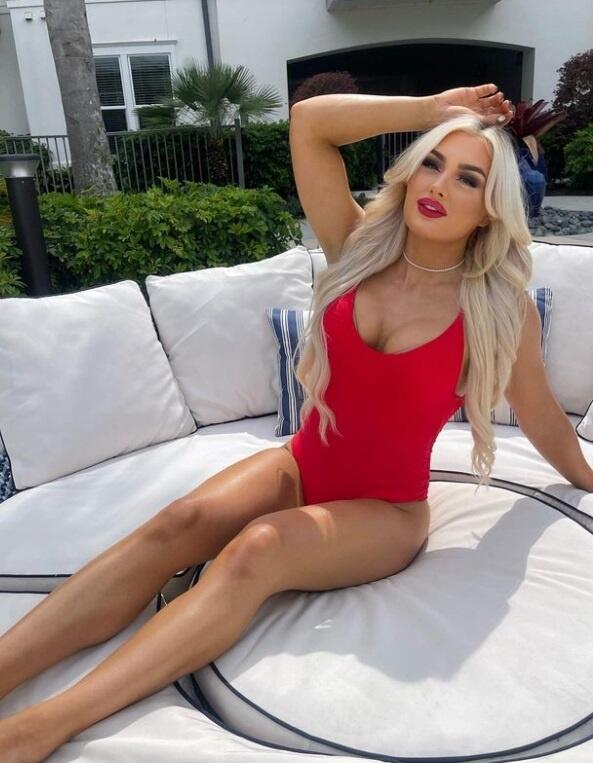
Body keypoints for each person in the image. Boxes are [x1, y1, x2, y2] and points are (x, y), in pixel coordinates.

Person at [2, 85, 592, 761]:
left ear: (491, 208)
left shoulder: (496, 308)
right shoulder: (359, 247)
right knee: (176, 523)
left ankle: (41, 726)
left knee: (258, 548)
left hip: (385, 512)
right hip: (301, 465)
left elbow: (541, 412)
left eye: (468, 178)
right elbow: (310, 125)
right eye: (432, 163)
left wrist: (586, 477)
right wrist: (429, 110)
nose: (438, 185)